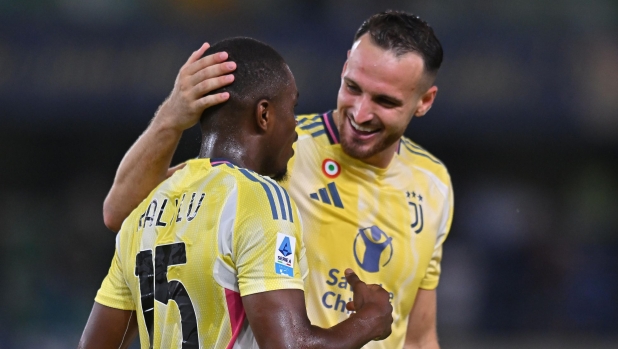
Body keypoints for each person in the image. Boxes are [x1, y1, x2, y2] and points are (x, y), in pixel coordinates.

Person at [103, 11, 453, 349]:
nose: (361, 113)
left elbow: (418, 339)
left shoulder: (434, 184)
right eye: (353, 88)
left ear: (424, 101)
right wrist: (170, 118)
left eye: (385, 101)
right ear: (345, 66)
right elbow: (125, 212)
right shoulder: (281, 151)